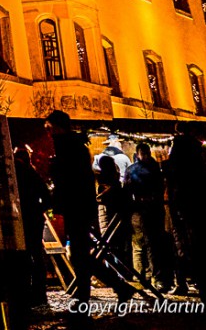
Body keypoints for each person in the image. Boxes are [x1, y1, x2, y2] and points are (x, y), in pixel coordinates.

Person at [45, 110, 134, 310]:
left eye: (50, 129)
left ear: (58, 127)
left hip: (76, 204)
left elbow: (71, 178)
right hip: (78, 204)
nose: (48, 133)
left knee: (79, 254)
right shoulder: (73, 145)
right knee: (81, 254)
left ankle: (91, 295)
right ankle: (114, 288)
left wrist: (56, 172)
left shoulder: (68, 146)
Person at [164, 122, 206, 300]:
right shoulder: (191, 151)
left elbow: (177, 179)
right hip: (197, 206)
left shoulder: (181, 152)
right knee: (204, 249)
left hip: (191, 207)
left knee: (199, 249)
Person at [124, 142, 170, 291]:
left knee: (138, 244)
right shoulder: (156, 168)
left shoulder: (132, 170)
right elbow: (161, 186)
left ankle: (140, 276)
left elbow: (126, 189)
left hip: (138, 209)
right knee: (154, 244)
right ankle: (156, 277)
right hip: (154, 208)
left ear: (137, 154)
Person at [14, 145, 51, 307]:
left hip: (24, 217)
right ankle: (38, 292)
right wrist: (39, 209)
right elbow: (46, 196)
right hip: (33, 217)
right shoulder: (32, 173)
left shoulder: (21, 173)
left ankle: (31, 291)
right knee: (35, 253)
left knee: (27, 254)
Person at [96, 154, 131, 270]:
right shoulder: (112, 181)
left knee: (108, 244)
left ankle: (115, 270)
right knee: (113, 244)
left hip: (107, 213)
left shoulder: (100, 180)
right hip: (112, 213)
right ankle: (118, 271)